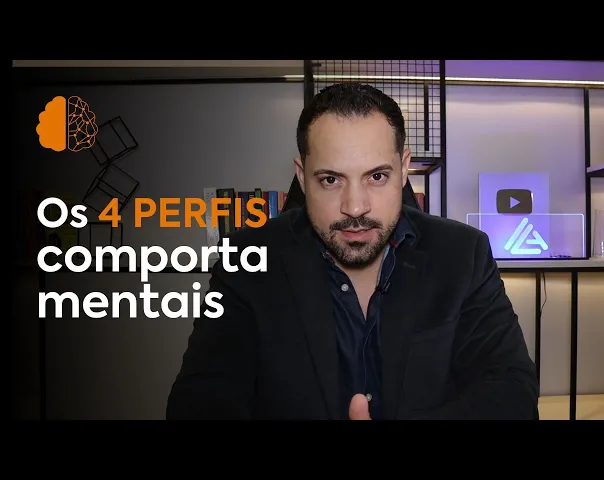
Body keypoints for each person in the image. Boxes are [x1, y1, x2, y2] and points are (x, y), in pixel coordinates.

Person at [166, 83, 540, 420]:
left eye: (377, 176)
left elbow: (511, 393)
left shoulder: (463, 254)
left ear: (404, 169)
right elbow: (199, 402)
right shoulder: (246, 259)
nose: (355, 207)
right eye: (331, 179)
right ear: (302, 176)